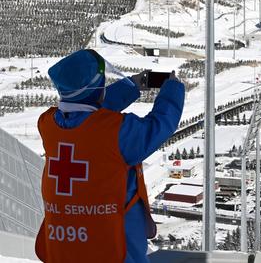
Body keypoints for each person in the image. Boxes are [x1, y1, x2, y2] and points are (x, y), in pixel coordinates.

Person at [35, 49, 185, 263]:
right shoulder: (118, 133)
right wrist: (173, 89)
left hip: (66, 243)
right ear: (96, 90)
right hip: (114, 240)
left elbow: (86, 113)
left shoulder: (48, 123)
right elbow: (159, 124)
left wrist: (132, 86)